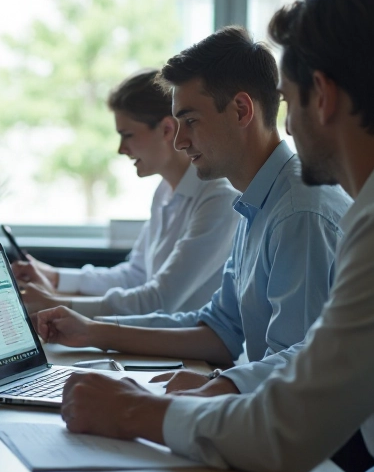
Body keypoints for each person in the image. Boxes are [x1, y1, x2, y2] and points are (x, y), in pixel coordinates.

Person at [60, 0, 374, 472]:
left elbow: (288, 430)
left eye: (290, 99)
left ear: (323, 96)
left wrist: (132, 410)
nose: (290, 126)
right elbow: (282, 357)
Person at [35, 27, 353, 397]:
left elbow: (300, 369)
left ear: (241, 110)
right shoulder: (257, 202)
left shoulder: (298, 213)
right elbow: (219, 331)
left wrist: (210, 387)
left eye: (190, 121)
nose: (180, 141)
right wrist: (92, 331)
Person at [13, 68, 239, 317]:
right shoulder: (164, 192)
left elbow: (159, 299)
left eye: (127, 135)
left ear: (167, 129)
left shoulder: (218, 198)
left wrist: (58, 304)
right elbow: (135, 275)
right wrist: (55, 277)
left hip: (188, 341)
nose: (121, 149)